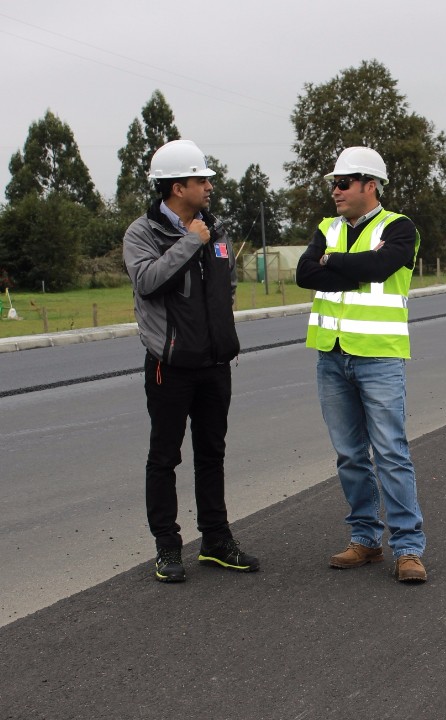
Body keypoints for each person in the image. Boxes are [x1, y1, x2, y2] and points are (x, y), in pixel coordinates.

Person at [123, 139, 259, 583]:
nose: (209, 187)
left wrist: (222, 333)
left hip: (214, 363)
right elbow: (147, 282)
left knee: (212, 453)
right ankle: (167, 547)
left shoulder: (215, 231)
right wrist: (188, 243)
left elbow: (227, 288)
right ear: (177, 187)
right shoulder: (142, 233)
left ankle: (216, 541)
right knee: (164, 457)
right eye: (202, 180)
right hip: (169, 365)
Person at [295, 146, 427, 583]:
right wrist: (351, 267)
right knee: (350, 454)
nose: (335, 190)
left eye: (344, 182)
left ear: (370, 185)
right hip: (331, 355)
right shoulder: (326, 227)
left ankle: (408, 548)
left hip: (378, 356)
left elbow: (383, 265)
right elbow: (304, 274)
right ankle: (366, 540)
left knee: (390, 451)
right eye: (333, 182)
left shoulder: (400, 227)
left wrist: (333, 262)